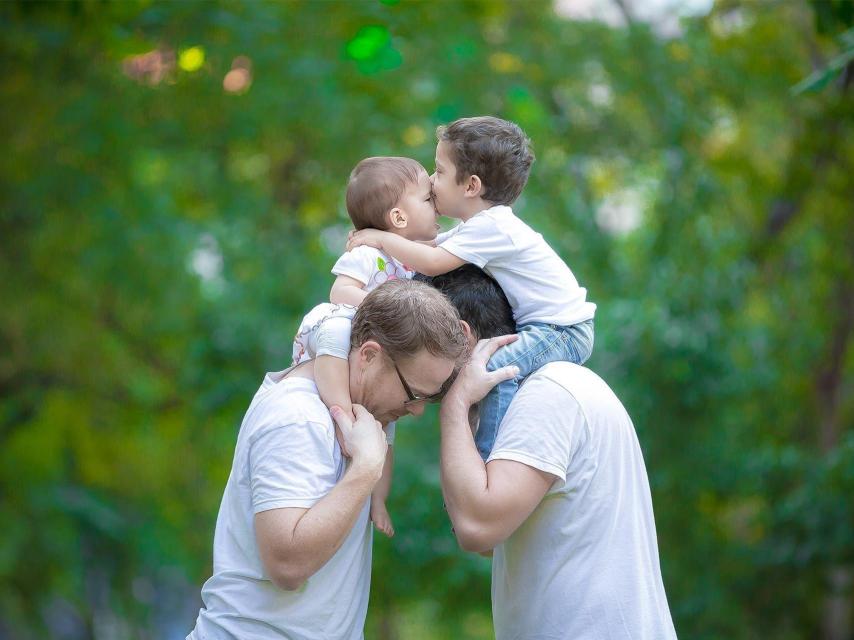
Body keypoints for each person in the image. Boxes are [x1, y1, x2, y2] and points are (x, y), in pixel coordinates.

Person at [187, 279, 467, 640]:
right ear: (368, 355)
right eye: (414, 394)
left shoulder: (351, 419)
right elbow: (287, 564)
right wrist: (366, 469)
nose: (416, 411)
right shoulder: (299, 416)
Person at [423, 265, 677, 639]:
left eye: (420, 348)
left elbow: (477, 528)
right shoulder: (546, 392)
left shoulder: (548, 393)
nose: (419, 394)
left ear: (462, 335)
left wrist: (455, 405)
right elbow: (485, 536)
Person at [348, 116, 596, 461]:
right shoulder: (479, 227)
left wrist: (381, 238)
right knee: (485, 368)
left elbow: (431, 262)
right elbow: (431, 248)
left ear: (471, 186)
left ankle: (488, 457)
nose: (432, 183)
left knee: (490, 370)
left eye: (439, 172)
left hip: (563, 331)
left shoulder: (493, 226)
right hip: (554, 328)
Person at [292, 156, 441, 536]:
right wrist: (387, 312)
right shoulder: (367, 254)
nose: (436, 202)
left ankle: (377, 498)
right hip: (342, 326)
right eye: (427, 199)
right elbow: (340, 292)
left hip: (373, 346)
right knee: (336, 330)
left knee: (386, 425)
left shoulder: (415, 260)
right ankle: (342, 415)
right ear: (399, 218)